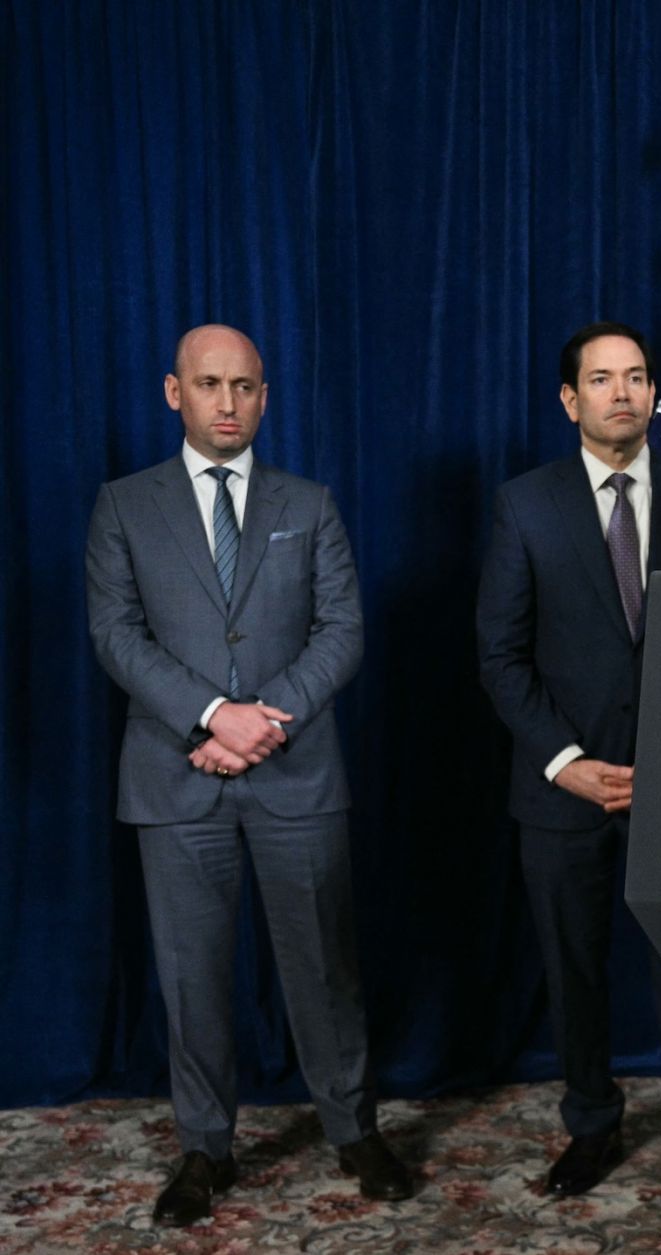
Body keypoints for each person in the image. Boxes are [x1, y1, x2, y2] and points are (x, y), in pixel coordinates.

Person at [85, 325, 413, 1227]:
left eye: (244, 386)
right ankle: (205, 1148)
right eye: (209, 384)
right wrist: (208, 715)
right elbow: (116, 634)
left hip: (294, 773)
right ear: (173, 392)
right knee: (191, 975)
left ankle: (353, 1128)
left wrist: (259, 722)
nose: (227, 402)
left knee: (324, 965)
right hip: (173, 776)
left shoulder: (308, 503)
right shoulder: (124, 504)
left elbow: (341, 630)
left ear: (265, 396)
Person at [476, 322, 661, 1196]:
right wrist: (566, 759)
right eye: (603, 379)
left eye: (639, 377)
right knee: (573, 971)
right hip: (564, 789)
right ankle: (591, 1124)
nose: (624, 393)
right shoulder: (525, 504)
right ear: (570, 400)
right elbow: (500, 654)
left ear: (655, 392)